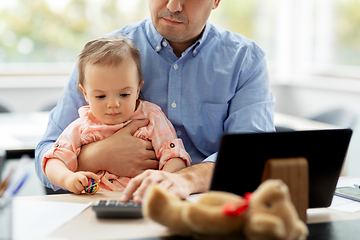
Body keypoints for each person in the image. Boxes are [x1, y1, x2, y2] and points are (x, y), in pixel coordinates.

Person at [35, 0, 275, 202]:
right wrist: (98, 156)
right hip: (109, 206)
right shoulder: (101, 58)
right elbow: (44, 153)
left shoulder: (246, 60)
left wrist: (183, 179)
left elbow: (254, 158)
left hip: (207, 206)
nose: (173, 6)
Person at [41, 36, 191, 194]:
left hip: (142, 199)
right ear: (85, 93)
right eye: (100, 97)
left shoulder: (151, 117)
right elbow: (54, 160)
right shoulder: (82, 126)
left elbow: (174, 155)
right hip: (96, 202)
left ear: (138, 89)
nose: (113, 104)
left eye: (124, 94)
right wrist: (67, 178)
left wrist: (162, 180)